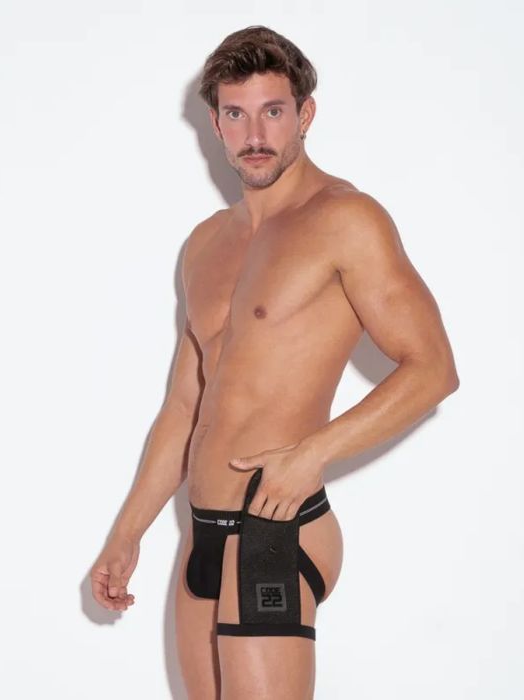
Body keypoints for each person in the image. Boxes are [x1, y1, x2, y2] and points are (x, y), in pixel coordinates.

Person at [90, 24, 459, 699]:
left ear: (305, 114)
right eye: (236, 114)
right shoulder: (205, 244)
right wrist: (127, 531)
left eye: (273, 111)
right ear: (216, 123)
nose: (254, 133)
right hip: (203, 535)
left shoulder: (346, 220)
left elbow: (433, 368)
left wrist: (312, 454)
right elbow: (185, 406)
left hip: (275, 526)